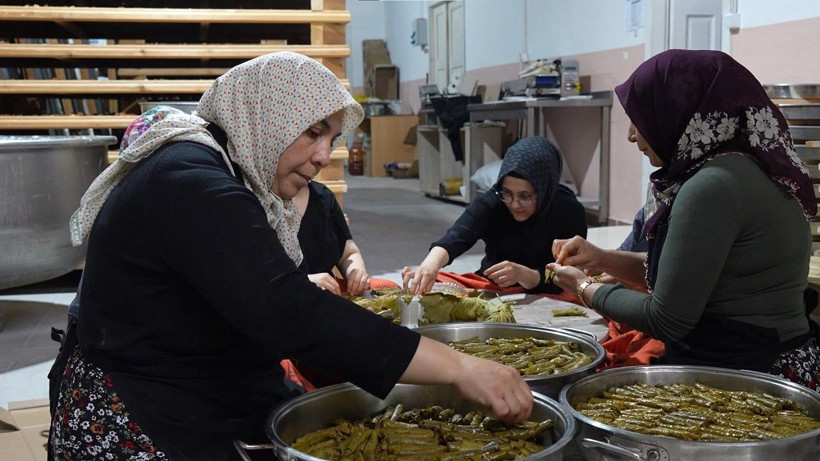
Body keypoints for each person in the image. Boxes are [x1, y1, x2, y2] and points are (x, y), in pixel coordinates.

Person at [48, 52, 532, 460]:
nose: (324, 156)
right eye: (313, 132)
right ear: (268, 116)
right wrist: (459, 367)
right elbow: (288, 313)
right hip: (139, 407)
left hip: (192, 377)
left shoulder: (221, 168)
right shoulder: (190, 181)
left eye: (332, 139)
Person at [547, 49, 820, 390]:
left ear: (678, 113)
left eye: (640, 118)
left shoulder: (711, 186)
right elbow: (692, 272)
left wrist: (583, 287)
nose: (632, 135)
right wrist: (603, 259)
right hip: (778, 355)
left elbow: (666, 318)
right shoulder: (746, 165)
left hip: (752, 374)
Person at [403, 136, 588, 295]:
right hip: (494, 285)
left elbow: (567, 278)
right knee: (437, 284)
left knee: (589, 294)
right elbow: (458, 235)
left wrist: (524, 274)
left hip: (549, 289)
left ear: (544, 190)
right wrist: (430, 265)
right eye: (507, 193)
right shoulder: (494, 201)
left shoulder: (569, 212)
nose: (515, 204)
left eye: (525, 196)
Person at [293, 180, 372, 295]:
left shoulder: (323, 196)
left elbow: (348, 253)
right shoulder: (261, 204)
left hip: (327, 300)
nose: (323, 162)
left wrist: (355, 273)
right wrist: (304, 282)